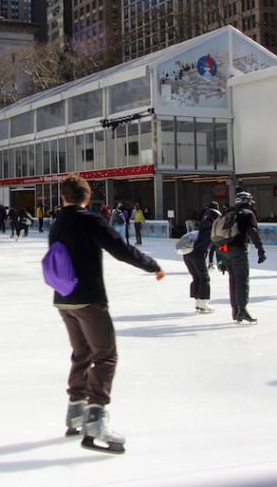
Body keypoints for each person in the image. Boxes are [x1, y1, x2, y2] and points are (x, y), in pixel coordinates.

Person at [49, 175, 165, 454]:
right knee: (105, 355)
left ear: (63, 197)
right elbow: (120, 249)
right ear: (87, 199)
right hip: (88, 298)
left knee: (82, 352)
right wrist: (152, 266)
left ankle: (75, 412)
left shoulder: (58, 222)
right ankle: (95, 421)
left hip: (64, 299)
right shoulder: (89, 220)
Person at [215, 191, 267, 323]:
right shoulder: (248, 214)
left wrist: (219, 259)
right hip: (238, 251)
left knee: (233, 280)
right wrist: (260, 250)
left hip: (223, 252)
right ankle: (241, 310)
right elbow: (253, 232)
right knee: (242, 280)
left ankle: (235, 311)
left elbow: (217, 237)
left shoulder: (228, 213)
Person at [184, 206, 220, 313]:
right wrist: (221, 263)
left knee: (197, 277)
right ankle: (203, 304)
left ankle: (198, 304)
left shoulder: (200, 227)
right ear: (214, 219)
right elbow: (216, 249)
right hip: (197, 255)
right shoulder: (210, 230)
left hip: (187, 254)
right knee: (204, 278)